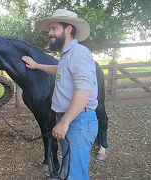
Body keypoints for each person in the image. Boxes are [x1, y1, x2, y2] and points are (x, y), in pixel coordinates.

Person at [21, 9, 98, 179]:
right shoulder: (67, 55)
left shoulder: (79, 53)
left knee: (74, 175)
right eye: (49, 30)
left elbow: (84, 90)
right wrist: (38, 66)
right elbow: (60, 69)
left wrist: (64, 122)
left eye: (54, 29)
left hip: (78, 121)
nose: (50, 33)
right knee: (70, 170)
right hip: (73, 120)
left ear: (68, 29)